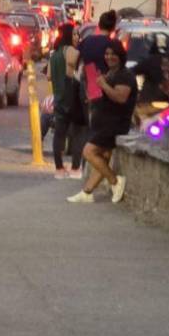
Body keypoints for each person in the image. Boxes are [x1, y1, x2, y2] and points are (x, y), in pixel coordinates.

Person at [68, 40, 133, 204]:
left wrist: (103, 85)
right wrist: (93, 95)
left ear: (120, 56)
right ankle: (87, 192)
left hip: (115, 124)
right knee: (102, 158)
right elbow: (102, 94)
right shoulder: (110, 73)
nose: (109, 57)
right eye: (107, 54)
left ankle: (115, 181)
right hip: (103, 121)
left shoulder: (125, 75)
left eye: (113, 54)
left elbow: (120, 97)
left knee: (88, 152)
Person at [49, 22, 88, 178]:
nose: (77, 37)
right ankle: (75, 168)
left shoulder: (55, 54)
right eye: (74, 34)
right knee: (78, 133)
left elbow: (49, 76)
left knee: (59, 134)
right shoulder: (71, 51)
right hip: (71, 96)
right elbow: (80, 69)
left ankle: (59, 169)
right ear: (68, 35)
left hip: (58, 97)